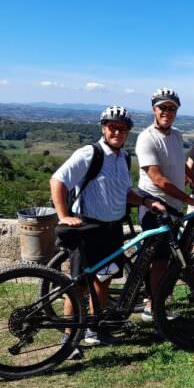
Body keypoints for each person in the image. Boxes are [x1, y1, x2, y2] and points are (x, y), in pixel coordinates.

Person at [51, 105, 165, 356]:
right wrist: (64, 216)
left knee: (104, 279)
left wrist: (146, 201)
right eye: (113, 127)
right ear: (104, 128)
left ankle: (94, 329)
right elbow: (58, 180)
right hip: (87, 227)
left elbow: (125, 193)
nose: (117, 132)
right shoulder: (89, 154)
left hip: (112, 229)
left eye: (122, 129)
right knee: (78, 285)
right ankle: (69, 340)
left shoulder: (124, 158)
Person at [135, 87, 194, 322]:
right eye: (163, 107)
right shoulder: (147, 138)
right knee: (158, 260)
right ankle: (153, 308)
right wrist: (190, 199)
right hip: (154, 205)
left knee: (164, 258)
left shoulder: (176, 135)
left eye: (172, 108)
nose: (167, 112)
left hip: (174, 206)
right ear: (154, 109)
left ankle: (154, 302)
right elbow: (157, 179)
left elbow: (181, 167)